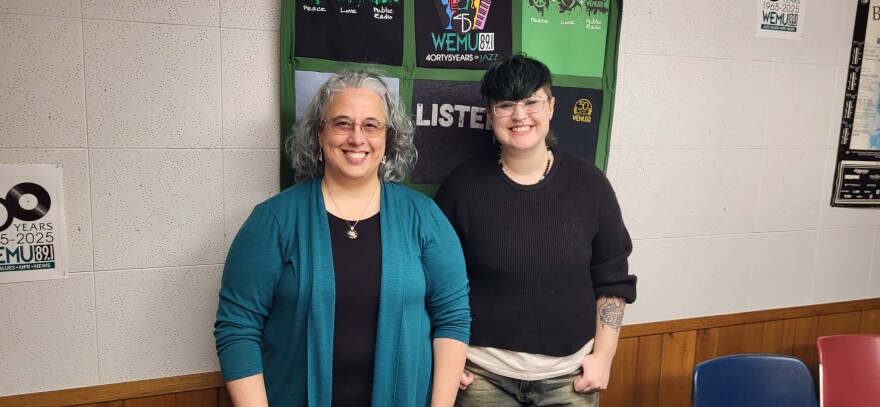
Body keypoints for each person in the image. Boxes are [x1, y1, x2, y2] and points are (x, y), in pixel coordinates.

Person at [214, 68, 471, 407]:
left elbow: (451, 318)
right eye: (342, 123)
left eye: (371, 125)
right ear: (319, 134)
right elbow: (237, 329)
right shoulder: (274, 220)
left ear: (388, 138)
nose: (356, 138)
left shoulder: (423, 218)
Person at [434, 54, 637, 406]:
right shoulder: (461, 188)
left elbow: (613, 277)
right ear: (490, 113)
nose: (520, 115)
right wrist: (448, 362)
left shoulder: (590, 184)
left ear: (552, 106)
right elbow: (435, 283)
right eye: (506, 104)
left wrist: (604, 357)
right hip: (482, 379)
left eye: (532, 102)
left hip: (570, 382)